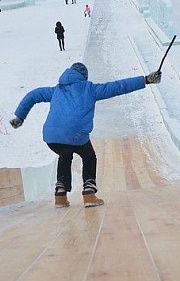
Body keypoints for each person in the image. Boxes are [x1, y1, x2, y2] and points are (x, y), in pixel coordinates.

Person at [10, 63, 162, 208]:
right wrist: (146, 79)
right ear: (84, 77)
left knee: (65, 154)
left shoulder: (56, 90)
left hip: (52, 136)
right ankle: (89, 193)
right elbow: (118, 86)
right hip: (75, 135)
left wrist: (19, 117)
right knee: (89, 156)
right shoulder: (89, 89)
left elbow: (32, 95)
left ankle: (60, 195)